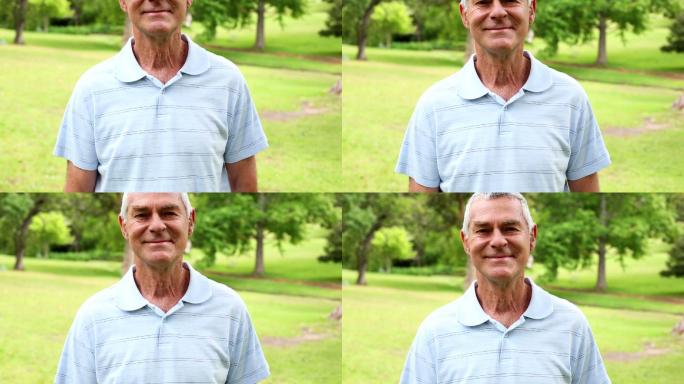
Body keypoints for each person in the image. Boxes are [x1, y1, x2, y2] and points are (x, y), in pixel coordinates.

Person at [396, 0, 611, 192]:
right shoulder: (433, 104)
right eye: (483, 3)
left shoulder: (571, 97)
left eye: (510, 1)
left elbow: (586, 191)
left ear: (532, 10)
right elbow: (421, 193)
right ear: (465, 15)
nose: (498, 11)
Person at [55, 193, 270, 383]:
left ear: (191, 221)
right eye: (142, 214)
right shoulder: (93, 316)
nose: (157, 225)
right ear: (124, 226)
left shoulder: (229, 308)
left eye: (168, 212)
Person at [54, 1, 267, 192]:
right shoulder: (91, 87)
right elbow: (78, 189)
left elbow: (244, 185)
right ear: (123, 2)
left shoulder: (228, 80)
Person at [401, 193, 611, 383]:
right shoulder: (435, 331)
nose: (498, 241)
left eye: (510, 228)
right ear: (466, 241)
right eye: (483, 230)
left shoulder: (571, 324)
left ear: (532, 237)